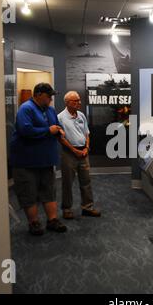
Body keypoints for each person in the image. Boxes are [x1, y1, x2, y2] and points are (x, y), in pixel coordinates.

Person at [9, 83, 67, 235]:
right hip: (26, 162)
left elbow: (57, 125)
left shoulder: (50, 110)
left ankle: (52, 220)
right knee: (29, 193)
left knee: (49, 191)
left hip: (46, 160)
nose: (51, 100)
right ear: (39, 94)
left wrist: (60, 131)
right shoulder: (26, 108)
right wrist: (48, 130)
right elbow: (25, 130)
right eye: (49, 96)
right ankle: (34, 223)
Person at [57, 91, 101, 219]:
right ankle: (67, 209)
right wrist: (74, 150)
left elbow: (86, 133)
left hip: (83, 153)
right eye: (75, 101)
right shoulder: (60, 118)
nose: (79, 103)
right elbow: (61, 139)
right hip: (69, 154)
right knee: (67, 183)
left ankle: (87, 207)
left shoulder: (81, 115)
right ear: (67, 103)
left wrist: (86, 147)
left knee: (86, 181)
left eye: (79, 100)